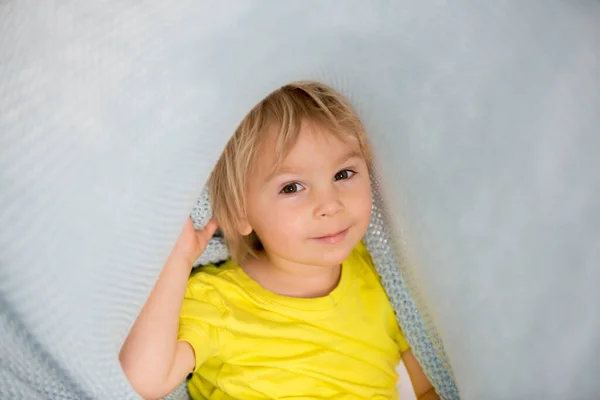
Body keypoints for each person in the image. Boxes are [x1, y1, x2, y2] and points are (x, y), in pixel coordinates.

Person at [119, 82, 439, 400]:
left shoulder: (384, 279)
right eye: (291, 188)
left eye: (343, 174)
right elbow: (145, 381)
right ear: (240, 212)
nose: (330, 204)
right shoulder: (216, 299)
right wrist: (178, 258)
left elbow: (427, 387)